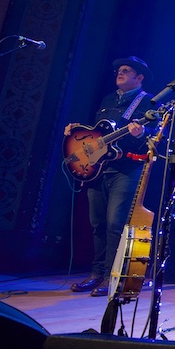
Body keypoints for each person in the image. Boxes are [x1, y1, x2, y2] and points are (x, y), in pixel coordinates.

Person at [67, 56, 154, 297]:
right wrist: (78, 131)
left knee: (116, 224)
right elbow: (97, 134)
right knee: (97, 223)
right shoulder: (107, 99)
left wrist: (140, 133)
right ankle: (96, 273)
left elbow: (155, 138)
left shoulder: (147, 102)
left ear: (140, 78)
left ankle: (110, 276)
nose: (120, 73)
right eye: (118, 70)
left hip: (126, 169)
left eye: (127, 71)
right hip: (99, 170)